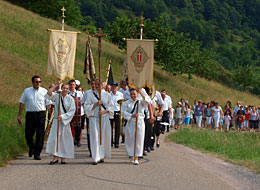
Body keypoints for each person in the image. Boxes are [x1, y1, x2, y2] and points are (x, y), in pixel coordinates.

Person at [17, 75, 49, 160]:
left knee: (40, 134)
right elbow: (22, 103)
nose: (38, 83)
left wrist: (49, 114)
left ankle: (37, 153)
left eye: (39, 82)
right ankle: (31, 147)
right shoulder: (27, 91)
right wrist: (19, 115)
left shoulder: (44, 91)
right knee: (28, 134)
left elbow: (48, 104)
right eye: (36, 82)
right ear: (33, 82)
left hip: (41, 114)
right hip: (30, 115)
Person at [84, 79, 114, 165]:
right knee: (95, 138)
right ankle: (95, 157)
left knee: (103, 137)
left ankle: (102, 156)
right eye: (95, 85)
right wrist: (96, 104)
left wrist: (104, 111)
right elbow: (86, 107)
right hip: (94, 119)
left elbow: (111, 107)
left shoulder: (107, 95)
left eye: (98, 84)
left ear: (102, 85)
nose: (97, 86)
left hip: (104, 119)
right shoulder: (90, 95)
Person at [45, 82, 76, 164]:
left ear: (68, 90)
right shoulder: (57, 96)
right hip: (56, 121)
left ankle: (63, 158)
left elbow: (72, 111)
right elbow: (49, 93)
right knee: (55, 139)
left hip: (65, 122)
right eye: (63, 88)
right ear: (61, 88)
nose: (65, 90)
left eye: (66, 88)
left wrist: (63, 116)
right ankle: (55, 157)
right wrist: (56, 85)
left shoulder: (70, 99)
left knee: (64, 139)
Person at [122, 88, 149, 165]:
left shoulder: (140, 101)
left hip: (139, 122)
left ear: (137, 94)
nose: (133, 96)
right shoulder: (126, 103)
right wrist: (131, 115)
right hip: (131, 122)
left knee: (139, 140)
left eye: (134, 94)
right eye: (131, 94)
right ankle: (131, 154)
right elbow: (123, 112)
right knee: (130, 140)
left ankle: (136, 156)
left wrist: (141, 92)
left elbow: (148, 101)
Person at [82, 79, 96, 157]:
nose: (94, 85)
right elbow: (83, 103)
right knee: (90, 133)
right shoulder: (87, 93)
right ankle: (91, 150)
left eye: (95, 84)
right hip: (90, 115)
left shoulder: (101, 93)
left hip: (98, 116)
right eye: (92, 84)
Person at [68, 79, 83, 147]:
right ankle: (70, 140)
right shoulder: (67, 93)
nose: (72, 86)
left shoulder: (79, 93)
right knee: (70, 127)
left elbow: (83, 102)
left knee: (78, 127)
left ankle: (78, 140)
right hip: (69, 112)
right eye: (71, 85)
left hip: (78, 112)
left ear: (75, 85)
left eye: (73, 85)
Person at [110, 82, 124, 148]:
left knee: (117, 128)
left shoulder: (120, 94)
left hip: (118, 111)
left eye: (115, 87)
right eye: (113, 86)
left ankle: (116, 142)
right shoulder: (109, 94)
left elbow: (123, 103)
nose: (114, 88)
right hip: (111, 111)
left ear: (117, 88)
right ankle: (110, 142)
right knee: (110, 128)